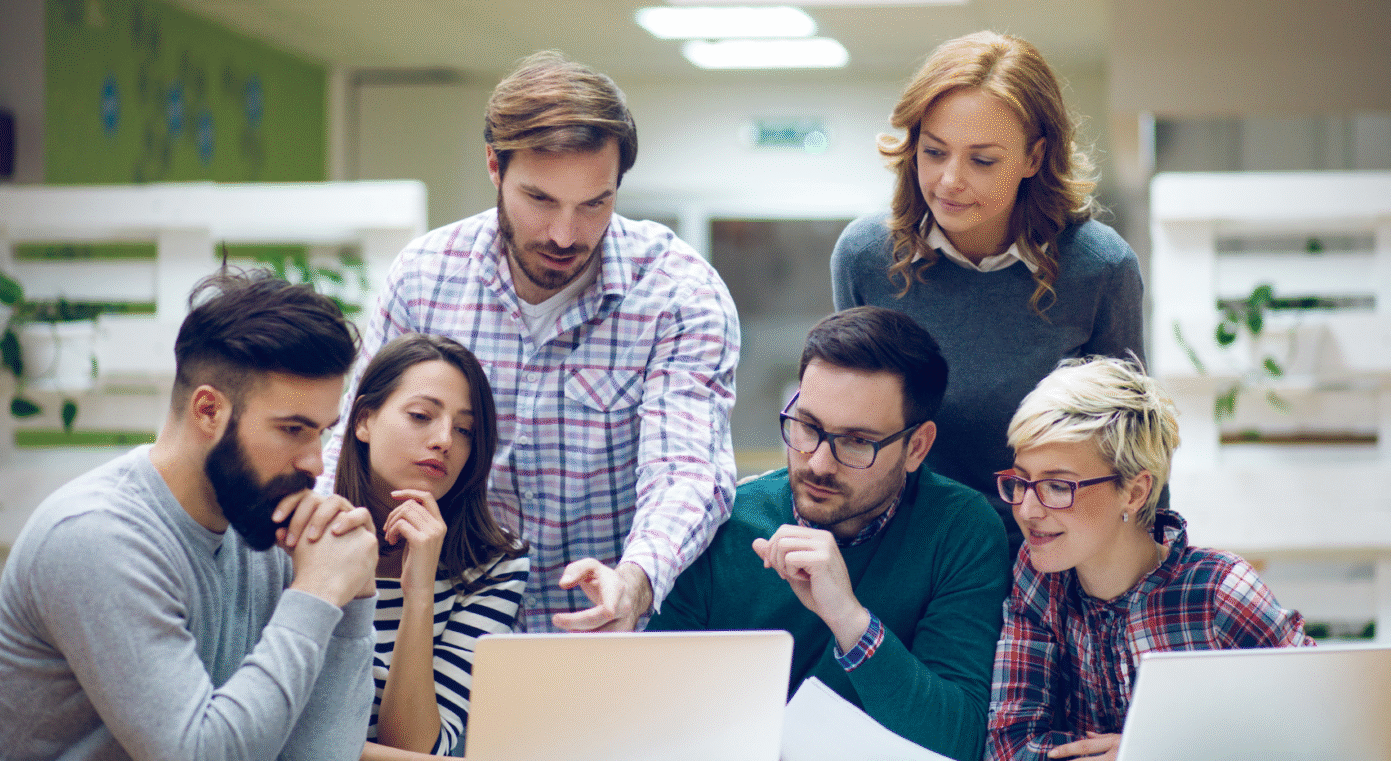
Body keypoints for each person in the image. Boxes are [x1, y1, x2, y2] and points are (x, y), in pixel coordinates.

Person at [324, 50, 740, 633]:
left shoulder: (678, 293)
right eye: (540, 200)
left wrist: (636, 579)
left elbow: (687, 469)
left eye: (595, 203)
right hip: (440, 636)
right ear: (495, 167)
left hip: (606, 636)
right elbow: (349, 443)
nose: (565, 235)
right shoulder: (426, 277)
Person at [0, 269, 379, 761]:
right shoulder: (97, 538)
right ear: (208, 411)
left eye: (322, 432)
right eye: (293, 429)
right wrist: (316, 595)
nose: (315, 463)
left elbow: (315, 756)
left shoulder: (264, 525)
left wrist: (349, 604)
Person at [831, 30, 1146, 556]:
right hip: (910, 553)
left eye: (983, 160)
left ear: (1034, 157)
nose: (949, 180)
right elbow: (854, 430)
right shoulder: (866, 257)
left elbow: (1131, 451)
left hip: (1052, 558)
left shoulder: (1100, 268)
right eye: (933, 152)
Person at [649, 306, 1009, 761]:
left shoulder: (960, 530)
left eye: (857, 441)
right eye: (808, 426)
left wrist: (850, 621)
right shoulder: (724, 521)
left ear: (916, 447)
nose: (818, 463)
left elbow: (955, 742)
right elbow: (656, 720)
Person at [986, 357, 1311, 761]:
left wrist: (1160, 752)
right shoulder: (1038, 581)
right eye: (1021, 481)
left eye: (1056, 486)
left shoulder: (1220, 592)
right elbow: (1009, 746)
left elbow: (1320, 728)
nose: (1028, 510)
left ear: (1135, 492)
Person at [331, 333, 530, 758]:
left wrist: (419, 594)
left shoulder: (495, 565)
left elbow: (416, 747)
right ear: (364, 420)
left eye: (465, 430)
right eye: (422, 415)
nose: (444, 439)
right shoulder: (301, 534)